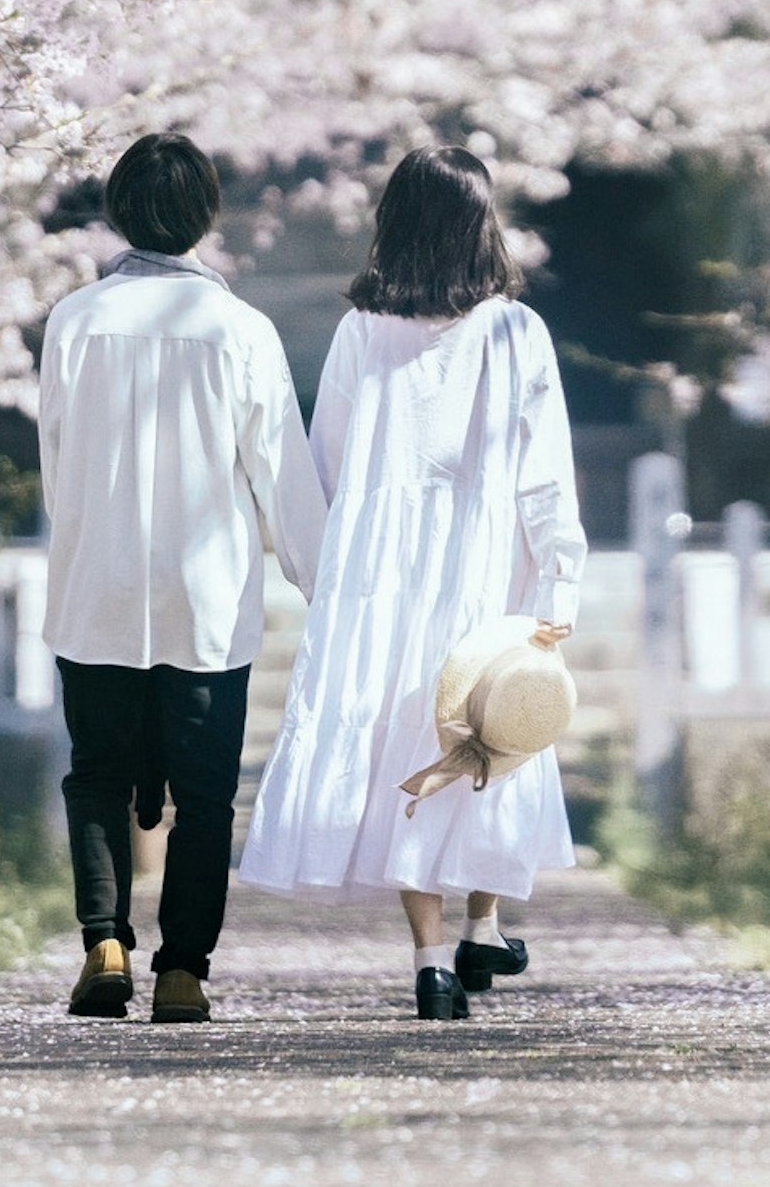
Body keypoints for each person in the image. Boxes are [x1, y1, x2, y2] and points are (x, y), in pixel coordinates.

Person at [241, 146, 587, 1022]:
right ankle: (483, 924)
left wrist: (332, 585)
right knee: (488, 722)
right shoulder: (516, 331)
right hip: (487, 563)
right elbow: (547, 477)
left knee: (406, 736)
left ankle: (432, 958)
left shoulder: (363, 331)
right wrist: (560, 588)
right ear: (483, 226)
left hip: (384, 572)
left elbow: (327, 461)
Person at [35, 130, 301, 1025]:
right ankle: (184, 967)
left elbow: (56, 462)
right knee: (205, 791)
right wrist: (319, 577)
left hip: (95, 586)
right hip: (207, 597)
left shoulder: (73, 320)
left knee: (98, 774)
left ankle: (105, 944)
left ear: (117, 211)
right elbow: (281, 474)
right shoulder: (243, 331)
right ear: (205, 216)